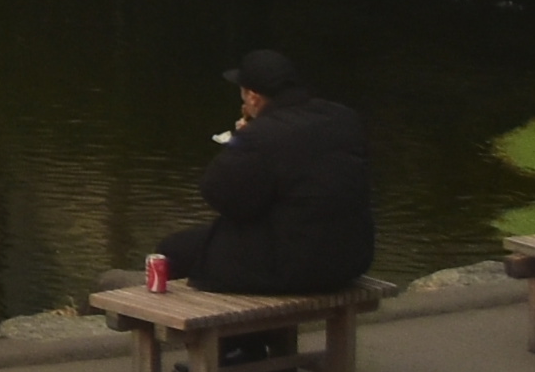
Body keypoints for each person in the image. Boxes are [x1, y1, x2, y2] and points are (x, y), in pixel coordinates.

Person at [159, 48, 378, 315]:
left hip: (295, 267)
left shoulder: (261, 135)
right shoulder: (344, 118)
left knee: (173, 250)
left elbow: (222, 196)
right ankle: (256, 345)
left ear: (253, 96)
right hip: (350, 258)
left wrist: (239, 142)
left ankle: (233, 349)